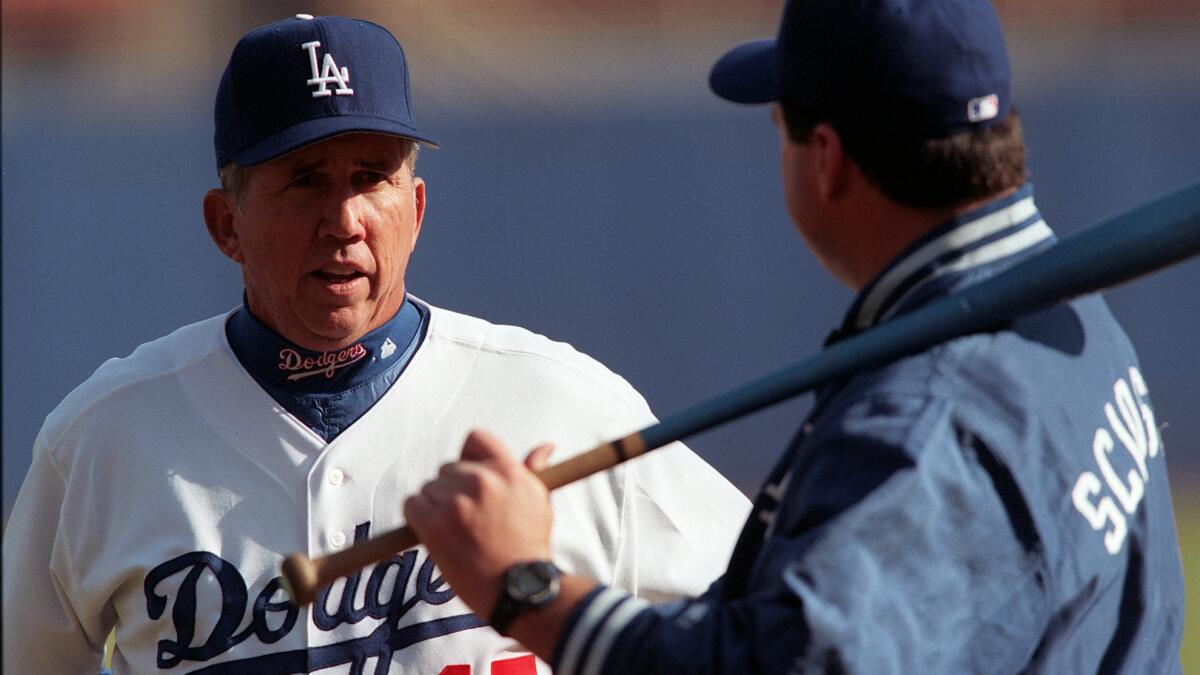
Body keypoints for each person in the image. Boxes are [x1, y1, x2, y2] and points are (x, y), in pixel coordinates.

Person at [401, 0, 1188, 672]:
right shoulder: (1068, 312)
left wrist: (525, 587)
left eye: (782, 126)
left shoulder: (923, 419)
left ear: (829, 160)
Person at [1, 14, 750, 674]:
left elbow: (775, 624)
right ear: (225, 223)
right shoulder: (103, 438)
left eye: (372, 177)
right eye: (304, 180)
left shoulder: (563, 402)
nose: (346, 218)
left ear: (415, 210)